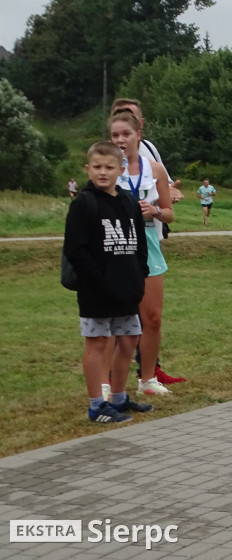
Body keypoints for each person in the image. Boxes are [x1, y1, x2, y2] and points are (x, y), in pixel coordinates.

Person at [63, 141, 153, 423]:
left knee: (128, 341)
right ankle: (96, 405)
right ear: (88, 170)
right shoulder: (83, 205)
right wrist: (98, 282)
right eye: (97, 167)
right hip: (96, 291)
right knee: (98, 342)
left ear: (120, 169)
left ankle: (118, 397)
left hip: (127, 287)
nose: (103, 172)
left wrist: (139, 276)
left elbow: (139, 244)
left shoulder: (128, 202)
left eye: (109, 167)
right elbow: (75, 250)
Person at [109, 98, 186, 386]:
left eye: (126, 134)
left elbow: (168, 214)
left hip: (148, 246)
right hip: (115, 249)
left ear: (138, 134)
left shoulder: (154, 167)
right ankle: (108, 384)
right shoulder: (106, 168)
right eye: (115, 135)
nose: (120, 140)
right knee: (115, 321)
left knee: (151, 318)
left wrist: (154, 210)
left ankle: (149, 379)